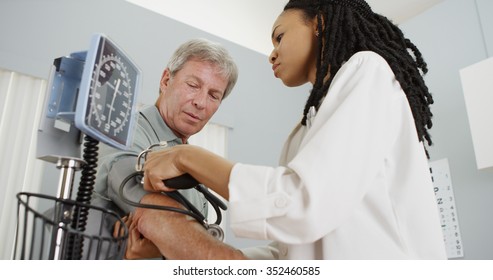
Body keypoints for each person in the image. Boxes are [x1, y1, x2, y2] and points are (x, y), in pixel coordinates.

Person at [125, 0, 447, 260]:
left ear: (319, 24)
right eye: (193, 85)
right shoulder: (305, 128)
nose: (272, 54)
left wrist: (186, 157)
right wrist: (192, 255)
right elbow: (287, 252)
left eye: (280, 37)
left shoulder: (368, 70)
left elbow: (302, 204)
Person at [89, 38, 238, 259]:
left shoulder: (192, 168)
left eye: (213, 95)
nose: (200, 102)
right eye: (193, 85)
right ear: (166, 80)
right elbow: (136, 193)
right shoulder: (123, 132)